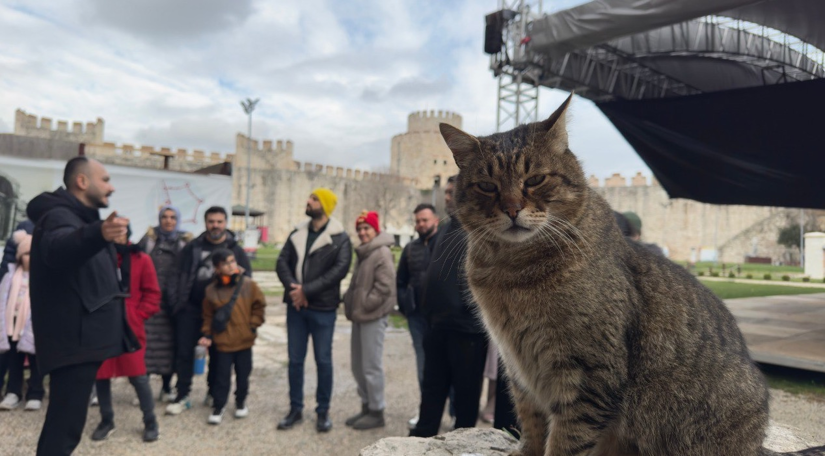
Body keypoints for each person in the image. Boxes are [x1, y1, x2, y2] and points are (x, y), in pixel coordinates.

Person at [27, 156, 138, 455]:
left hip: (81, 340)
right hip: (73, 342)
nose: (111, 187)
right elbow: (59, 249)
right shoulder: (59, 216)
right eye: (105, 179)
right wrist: (98, 233)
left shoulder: (77, 218)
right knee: (64, 431)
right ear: (82, 181)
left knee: (65, 426)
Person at [410, 175, 489, 438]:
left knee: (465, 398)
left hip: (466, 331)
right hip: (437, 327)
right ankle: (422, 438)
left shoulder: (479, 227)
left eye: (452, 192)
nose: (446, 197)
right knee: (432, 390)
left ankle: (462, 444)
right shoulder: (447, 226)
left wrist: (466, 309)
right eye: (445, 193)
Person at [275, 188, 352, 433]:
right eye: (309, 197)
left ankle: (322, 411)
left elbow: (338, 271)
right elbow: (281, 262)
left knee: (323, 361)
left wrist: (305, 291)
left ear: (325, 205)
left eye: (314, 198)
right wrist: (294, 289)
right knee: (295, 361)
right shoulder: (297, 232)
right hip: (296, 308)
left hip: (323, 309)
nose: (308, 201)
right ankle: (295, 409)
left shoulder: (340, 238)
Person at [166, 206, 251, 415]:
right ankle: (183, 394)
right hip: (191, 309)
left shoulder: (235, 250)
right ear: (205, 223)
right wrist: (176, 303)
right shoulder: (193, 247)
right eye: (211, 221)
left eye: (219, 221)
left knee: (218, 356)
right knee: (184, 353)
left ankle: (213, 393)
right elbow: (176, 274)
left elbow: (247, 280)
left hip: (220, 313)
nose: (215, 225)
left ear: (226, 223)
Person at [91, 226, 161, 443]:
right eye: (113, 232)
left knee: (138, 376)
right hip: (103, 325)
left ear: (128, 234)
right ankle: (106, 419)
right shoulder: (98, 257)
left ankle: (150, 421)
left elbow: (152, 293)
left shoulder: (141, 258)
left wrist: (137, 315)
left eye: (121, 232)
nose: (117, 236)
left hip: (130, 326)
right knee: (101, 375)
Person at [198, 249, 266, 425]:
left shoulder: (248, 285)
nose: (230, 266)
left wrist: (252, 325)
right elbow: (208, 315)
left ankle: (240, 402)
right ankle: (218, 406)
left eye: (232, 261)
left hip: (244, 340)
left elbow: (259, 306)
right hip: (223, 341)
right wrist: (207, 333)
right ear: (217, 268)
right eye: (225, 263)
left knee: (243, 375)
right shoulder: (211, 290)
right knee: (221, 377)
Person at [343, 211, 396, 430]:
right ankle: (366, 405)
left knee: (371, 366)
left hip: (372, 316)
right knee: (358, 365)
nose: (363, 233)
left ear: (376, 230)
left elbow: (384, 287)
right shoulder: (366, 252)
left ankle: (377, 411)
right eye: (360, 229)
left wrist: (363, 303)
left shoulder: (381, 252)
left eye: (367, 228)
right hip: (360, 316)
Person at [139, 205, 193, 402]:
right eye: (164, 217)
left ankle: (166, 387)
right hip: (149, 303)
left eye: (172, 217)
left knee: (170, 348)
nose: (168, 221)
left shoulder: (185, 243)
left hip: (172, 304)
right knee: (146, 346)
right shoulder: (149, 240)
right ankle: (143, 389)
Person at [395, 203, 439, 429]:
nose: (421, 224)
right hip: (417, 318)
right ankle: (426, 412)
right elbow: (400, 280)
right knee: (423, 367)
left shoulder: (444, 246)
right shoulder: (410, 248)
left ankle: (451, 414)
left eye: (425, 220)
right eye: (418, 220)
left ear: (435, 221)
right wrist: (405, 304)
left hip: (440, 319)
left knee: (445, 367)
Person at [0, 230, 44, 411]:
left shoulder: (43, 278)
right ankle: (13, 392)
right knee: (14, 361)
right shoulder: (10, 276)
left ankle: (35, 392)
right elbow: (2, 298)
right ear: (19, 256)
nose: (30, 258)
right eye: (26, 254)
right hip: (12, 325)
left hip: (33, 326)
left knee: (36, 362)